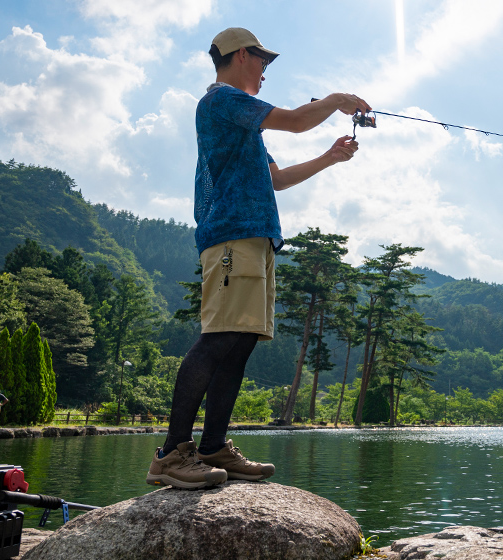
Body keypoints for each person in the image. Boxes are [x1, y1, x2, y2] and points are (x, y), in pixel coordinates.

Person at [146, 27, 371, 489]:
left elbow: (278, 180)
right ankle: (171, 454)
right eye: (263, 62)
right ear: (242, 55)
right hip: (232, 235)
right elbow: (294, 119)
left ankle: (212, 447)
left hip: (256, 237)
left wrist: (330, 157)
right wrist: (335, 101)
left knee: (240, 342)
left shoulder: (242, 121)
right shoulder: (220, 101)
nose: (266, 72)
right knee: (217, 339)